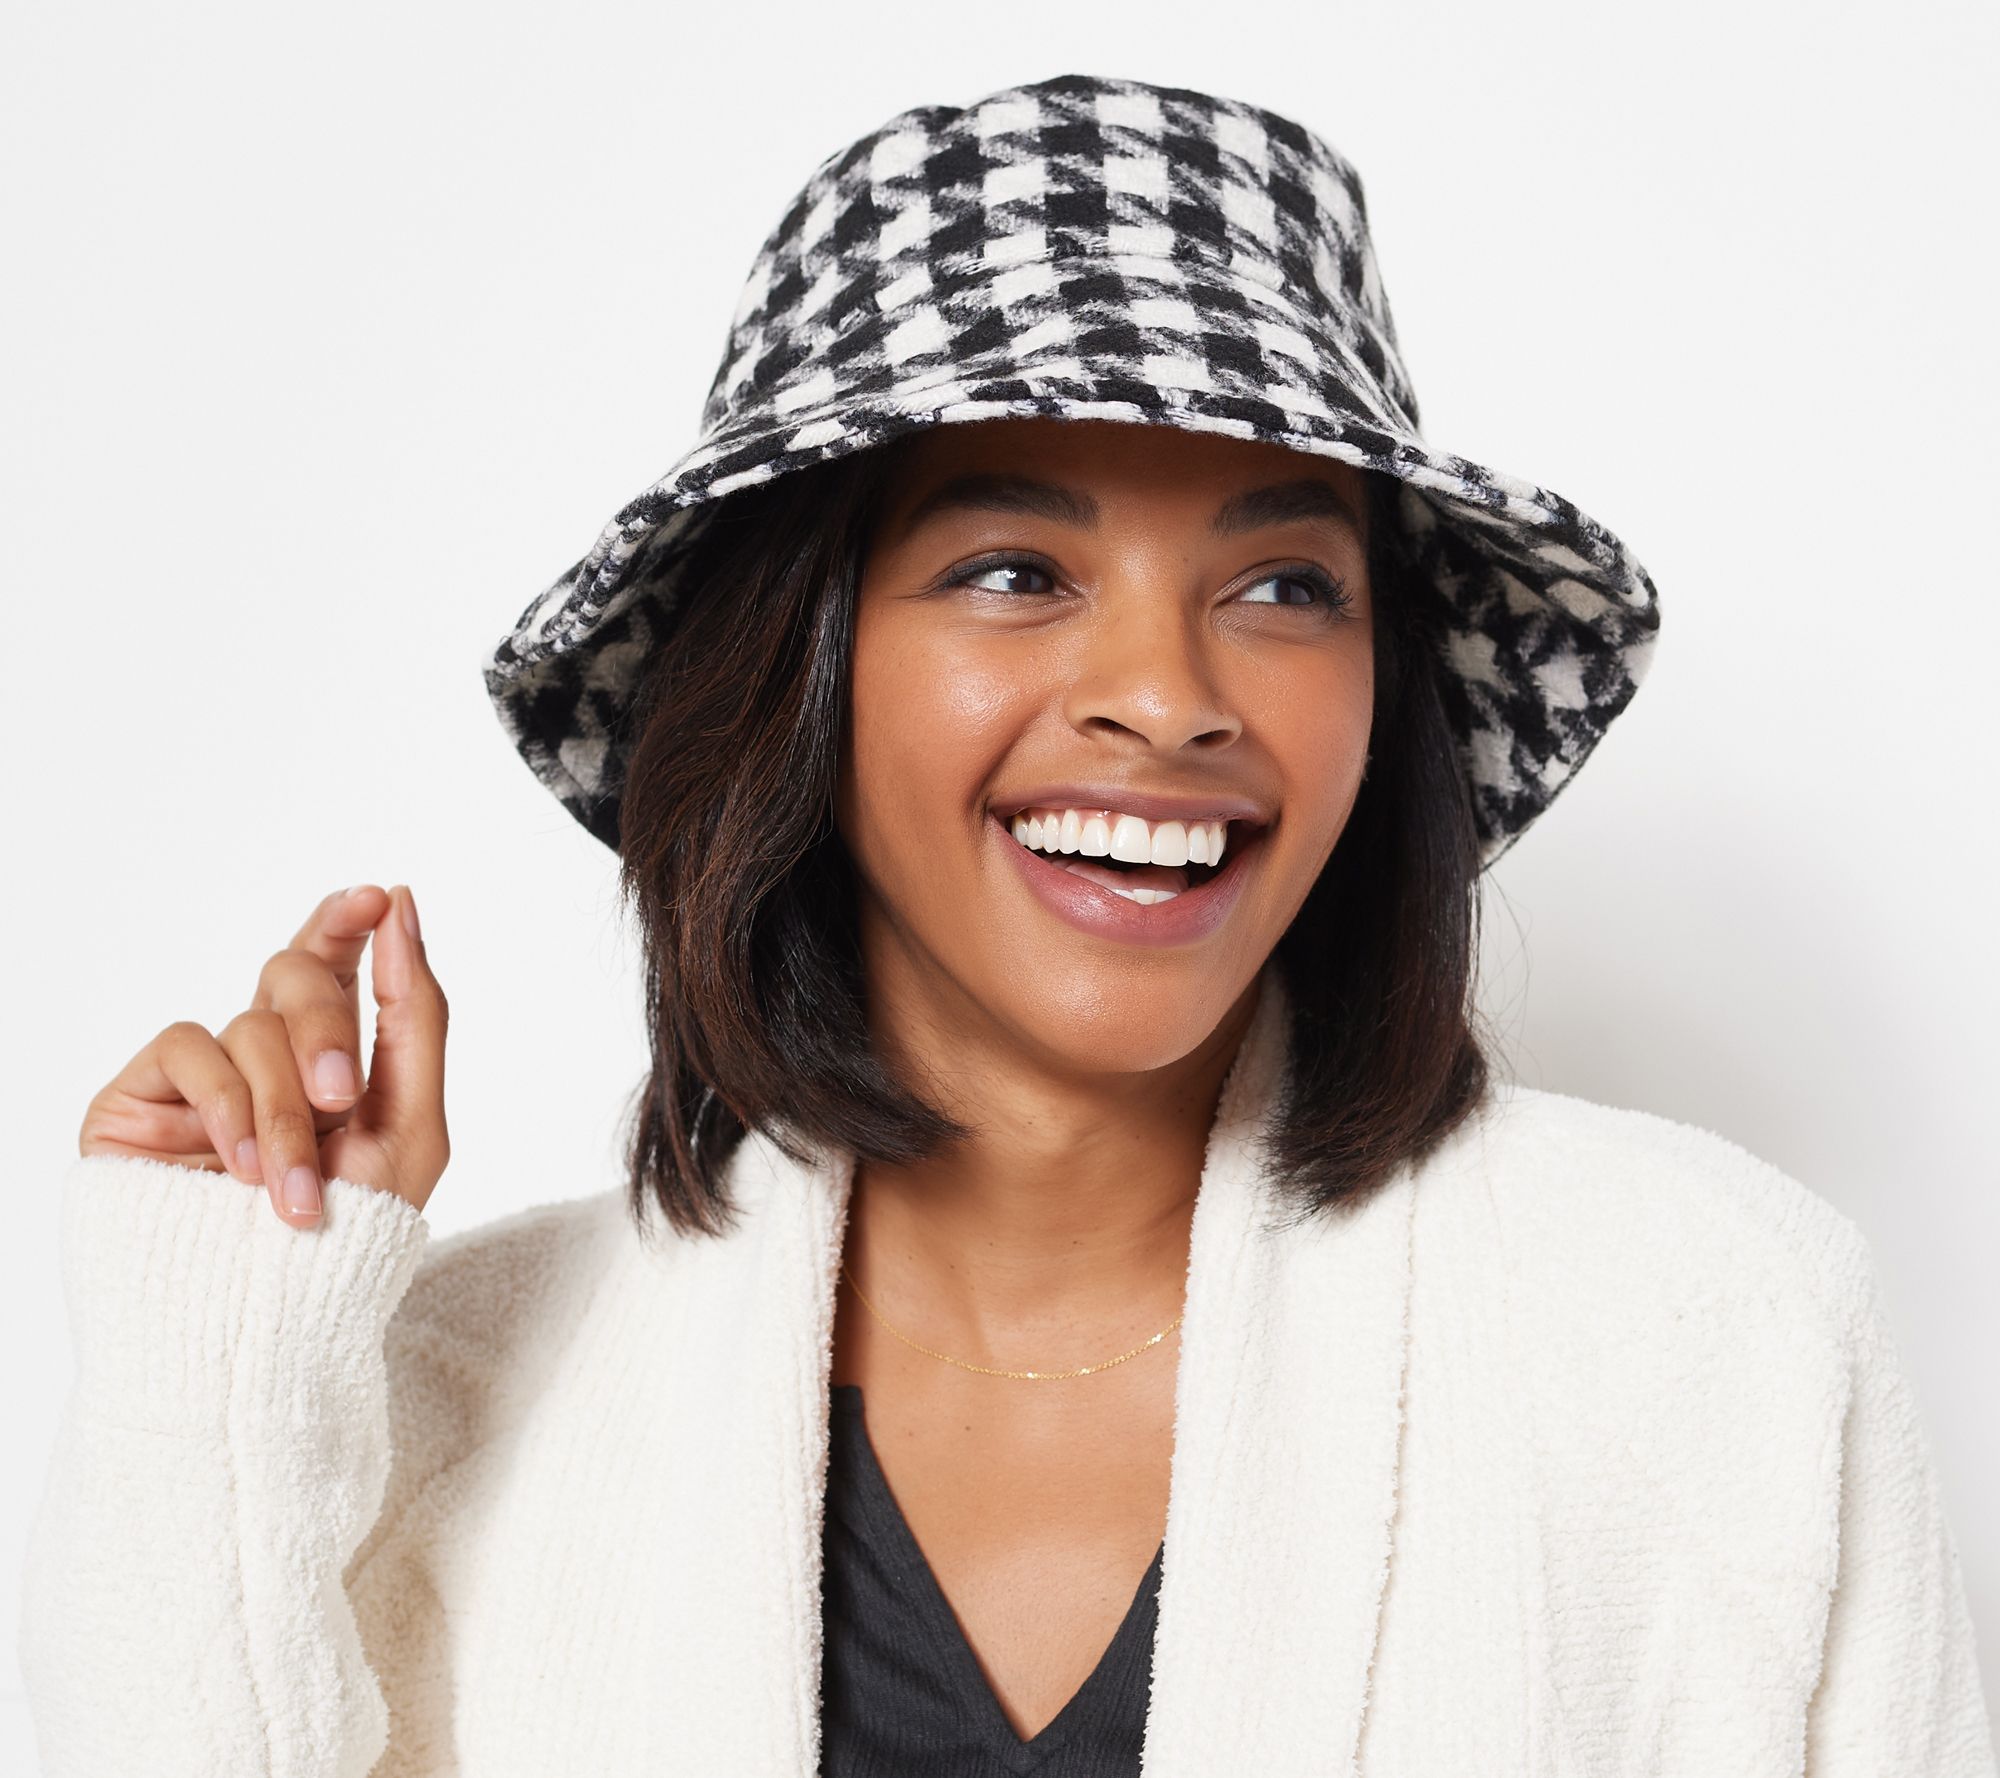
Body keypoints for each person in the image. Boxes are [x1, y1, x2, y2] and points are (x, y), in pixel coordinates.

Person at [20, 70, 1996, 1778]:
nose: (1167, 695)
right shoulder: (454, 1401)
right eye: (1013, 567)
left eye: (1286, 585)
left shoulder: (1716, 1342)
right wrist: (227, 1366)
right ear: (802, 665)